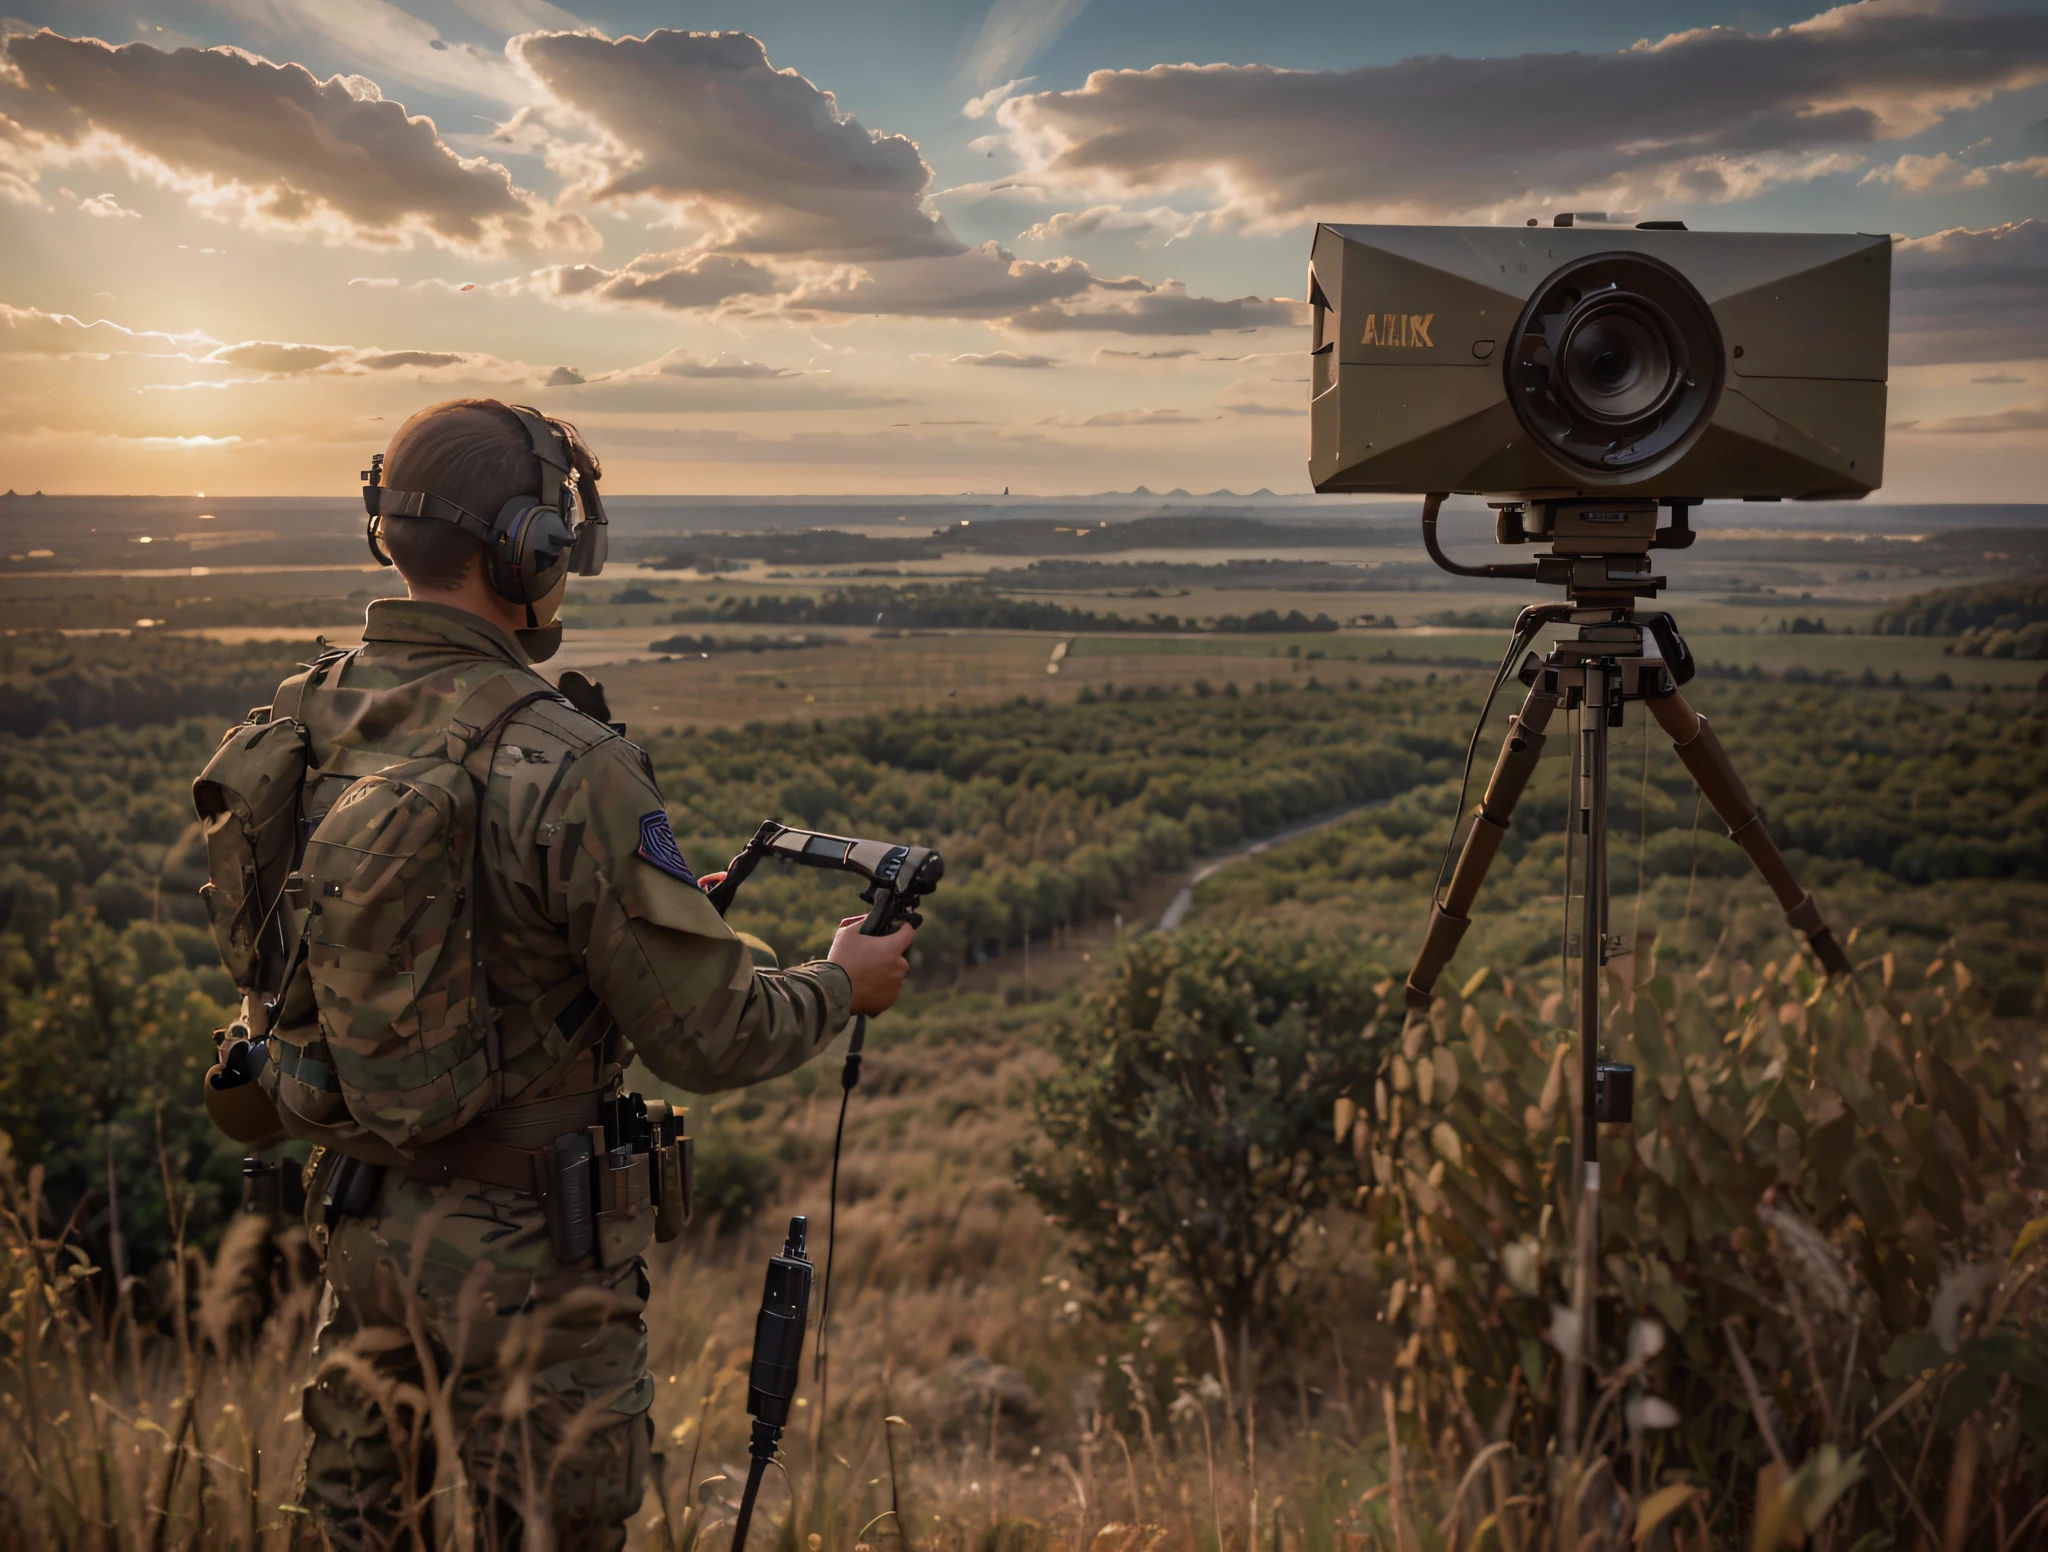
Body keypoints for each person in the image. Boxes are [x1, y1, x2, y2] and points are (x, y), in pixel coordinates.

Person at [205, 398, 914, 1550]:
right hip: (530, 1263)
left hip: (364, 1222)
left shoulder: (305, 715)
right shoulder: (568, 761)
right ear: (527, 548)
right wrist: (841, 982)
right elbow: (708, 1035)